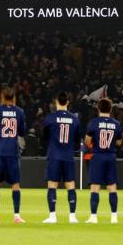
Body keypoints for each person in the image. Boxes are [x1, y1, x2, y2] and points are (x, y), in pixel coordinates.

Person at [0, 87, 26, 223]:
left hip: (0, 151)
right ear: (14, 97)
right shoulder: (20, 112)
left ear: (2, 96)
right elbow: (22, 131)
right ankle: (17, 216)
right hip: (13, 152)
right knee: (15, 184)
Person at [41, 92, 80, 223]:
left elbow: (44, 137)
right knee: (71, 185)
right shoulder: (74, 119)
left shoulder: (50, 118)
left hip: (54, 155)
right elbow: (76, 139)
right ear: (68, 102)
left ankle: (52, 216)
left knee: (52, 186)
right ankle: (72, 216)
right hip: (68, 156)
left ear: (56, 101)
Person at [85, 97, 122, 224]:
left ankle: (94, 217)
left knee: (95, 187)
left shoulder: (93, 123)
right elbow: (119, 142)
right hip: (110, 156)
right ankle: (114, 217)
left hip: (98, 156)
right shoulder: (116, 124)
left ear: (98, 108)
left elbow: (87, 141)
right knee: (112, 187)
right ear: (111, 109)